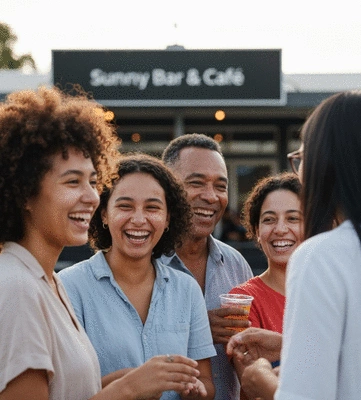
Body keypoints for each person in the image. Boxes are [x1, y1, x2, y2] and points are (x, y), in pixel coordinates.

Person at [0, 86, 204, 400]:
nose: (92, 197)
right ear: (26, 192)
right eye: (72, 181)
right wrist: (129, 389)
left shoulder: (49, 283)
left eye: (93, 182)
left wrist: (136, 379)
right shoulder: (16, 285)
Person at [228, 90, 361, 399]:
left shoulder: (321, 257)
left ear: (326, 165)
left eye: (303, 157)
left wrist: (261, 380)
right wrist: (287, 345)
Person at [59, 153, 216, 400]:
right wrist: (135, 384)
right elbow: (62, 391)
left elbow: (206, 382)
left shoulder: (187, 289)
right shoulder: (68, 287)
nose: (139, 220)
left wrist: (194, 390)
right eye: (125, 206)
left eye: (152, 208)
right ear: (103, 214)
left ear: (167, 219)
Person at [160, 133, 254, 400]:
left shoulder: (235, 264)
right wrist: (196, 332)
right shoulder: (143, 264)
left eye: (220, 186)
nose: (211, 196)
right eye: (196, 183)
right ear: (167, 188)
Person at [228, 172, 302, 399]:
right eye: (269, 219)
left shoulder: (330, 294)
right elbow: (254, 384)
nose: (280, 229)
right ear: (257, 231)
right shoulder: (242, 300)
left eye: (293, 218)